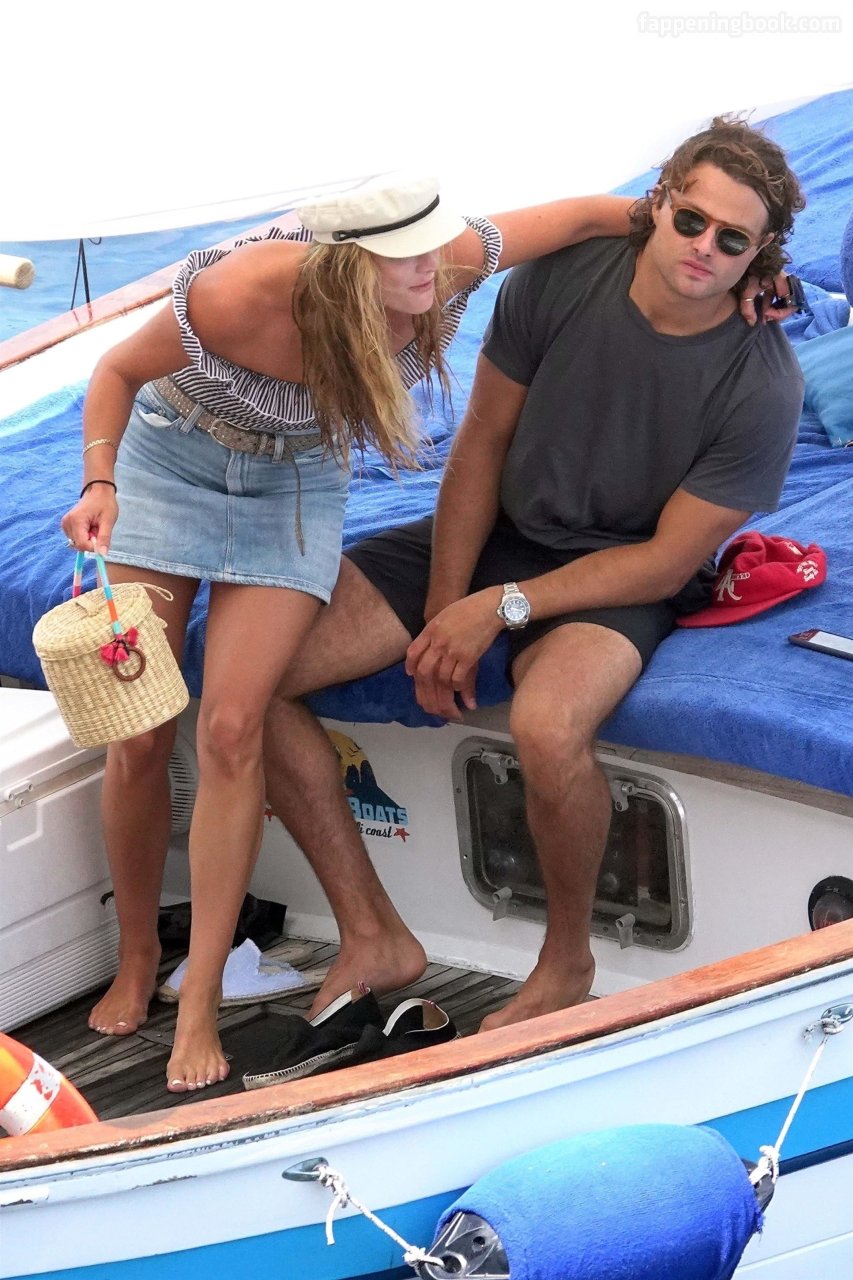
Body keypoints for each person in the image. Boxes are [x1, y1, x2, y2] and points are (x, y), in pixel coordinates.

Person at [60, 173, 644, 1091]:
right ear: (345, 268)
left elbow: (590, 214)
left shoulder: (446, 262)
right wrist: (100, 484)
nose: (430, 269)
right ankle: (138, 955)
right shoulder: (239, 293)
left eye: (432, 248)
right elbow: (116, 372)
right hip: (171, 464)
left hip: (292, 486)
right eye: (403, 259)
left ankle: (200, 998)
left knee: (230, 725)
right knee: (139, 734)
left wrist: (744, 263)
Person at [263, 117, 806, 1032]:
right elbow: (480, 440)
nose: (703, 248)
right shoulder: (561, 276)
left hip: (619, 571)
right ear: (659, 203)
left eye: (732, 241)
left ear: (760, 255)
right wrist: (447, 606)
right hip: (500, 528)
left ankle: (564, 963)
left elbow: (666, 561)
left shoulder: (764, 386)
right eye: (691, 221)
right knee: (256, 681)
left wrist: (500, 607)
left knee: (549, 728)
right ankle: (369, 932)